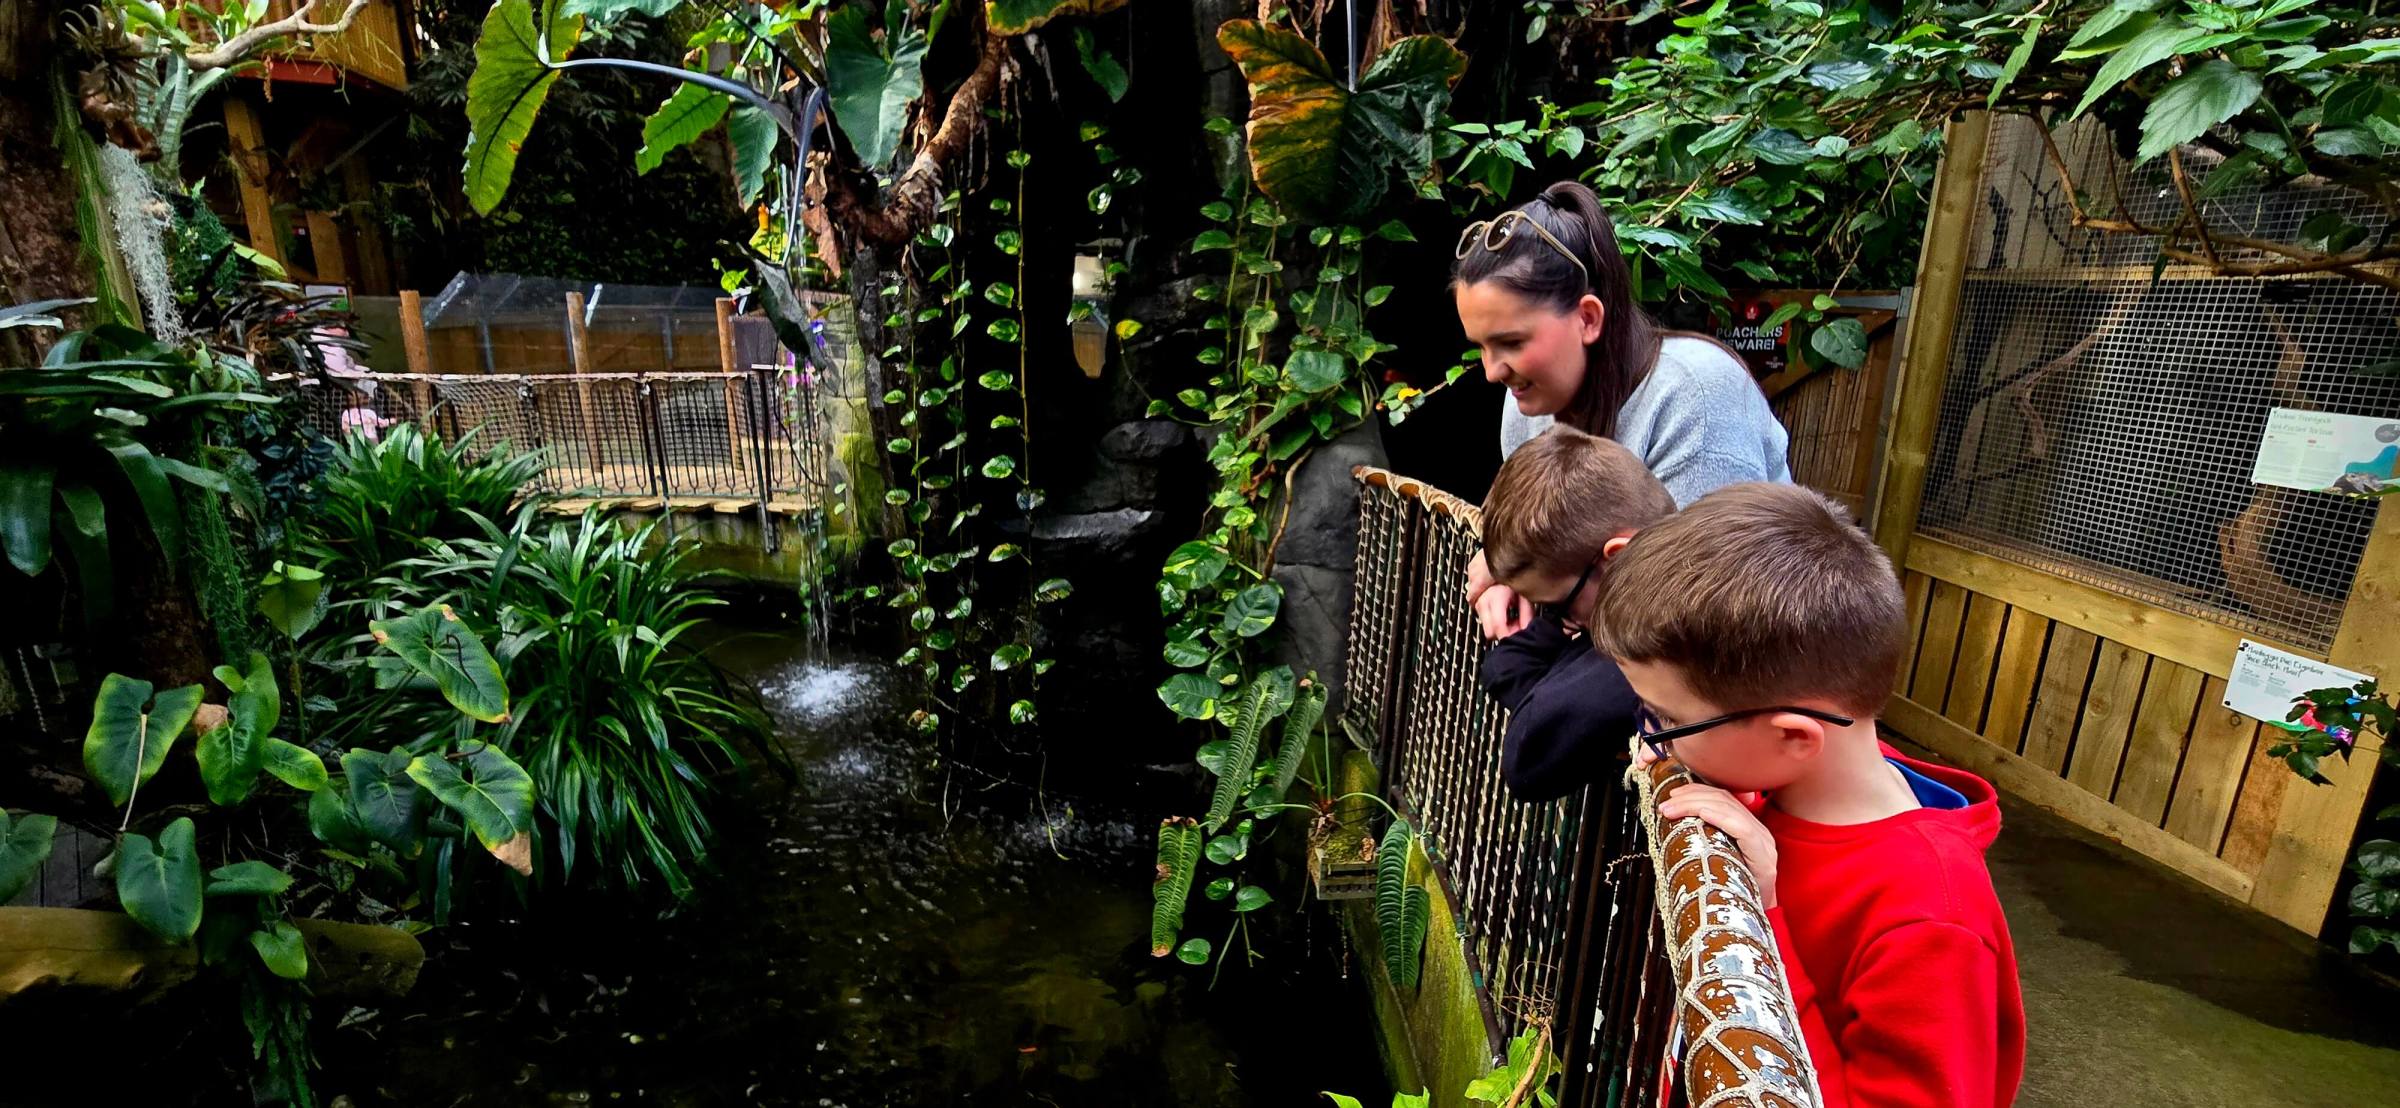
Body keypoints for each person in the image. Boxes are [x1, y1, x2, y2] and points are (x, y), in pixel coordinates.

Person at [1589, 483, 2024, 1107]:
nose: (1653, 741)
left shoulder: (1931, 921)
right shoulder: (1779, 783)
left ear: (1794, 737)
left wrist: (1765, 924)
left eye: (1663, 719)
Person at [1455, 180, 1791, 639]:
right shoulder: (1525, 406)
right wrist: (1505, 577)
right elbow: (1536, 547)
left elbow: (1693, 601)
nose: (1493, 372)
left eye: (1511, 342)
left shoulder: (1696, 397)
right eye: (1482, 348)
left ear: (1588, 318)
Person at [1475, 426, 1677, 801]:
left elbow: (1529, 758)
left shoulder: (1670, 632)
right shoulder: (1621, 611)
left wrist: (1548, 672)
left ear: (1616, 559)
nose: (1563, 622)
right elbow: (1510, 671)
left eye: (1554, 606)